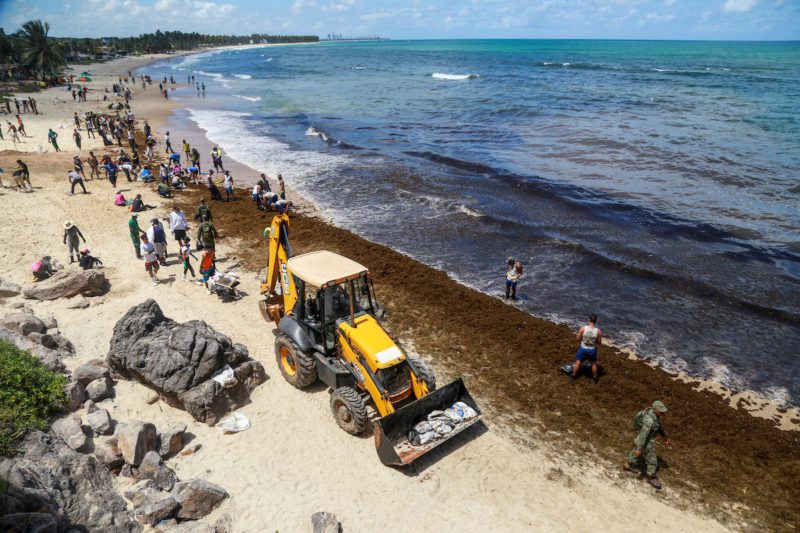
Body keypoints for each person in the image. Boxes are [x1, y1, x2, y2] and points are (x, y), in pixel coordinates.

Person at [624, 401, 670, 490]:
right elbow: (643, 436)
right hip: (646, 441)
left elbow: (659, 426)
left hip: (647, 439)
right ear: (655, 410)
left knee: (636, 452)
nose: (663, 413)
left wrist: (665, 438)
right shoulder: (649, 421)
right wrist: (640, 448)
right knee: (652, 460)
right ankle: (651, 477)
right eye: (661, 411)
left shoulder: (655, 416)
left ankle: (627, 465)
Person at [571, 314, 602, 383]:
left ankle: (573, 376)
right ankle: (594, 379)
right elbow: (599, 343)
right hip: (592, 350)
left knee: (578, 362)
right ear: (595, 321)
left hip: (583, 348)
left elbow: (577, 339)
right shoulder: (598, 331)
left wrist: (581, 335)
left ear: (589, 320)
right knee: (593, 364)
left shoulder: (583, 328)